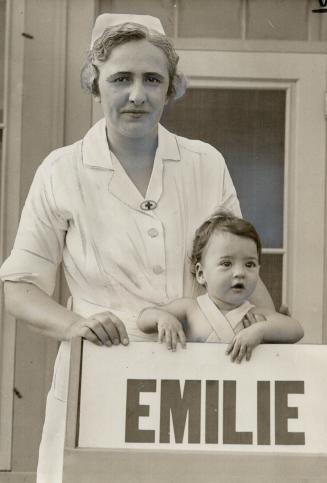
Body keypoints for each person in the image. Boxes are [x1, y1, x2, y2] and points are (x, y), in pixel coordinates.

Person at [0, 13, 274, 483]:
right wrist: (77, 323)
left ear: (171, 88)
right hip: (98, 379)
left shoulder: (204, 163)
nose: (136, 95)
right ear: (95, 83)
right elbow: (18, 288)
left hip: (196, 377)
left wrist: (268, 335)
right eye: (120, 78)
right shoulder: (61, 171)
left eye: (152, 79)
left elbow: (239, 269)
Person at [137, 211, 304, 361]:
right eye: (226, 263)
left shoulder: (253, 314)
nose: (240, 272)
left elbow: (296, 329)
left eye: (250, 264)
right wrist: (162, 318)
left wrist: (259, 332)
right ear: (201, 274)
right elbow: (143, 319)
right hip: (195, 385)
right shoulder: (191, 308)